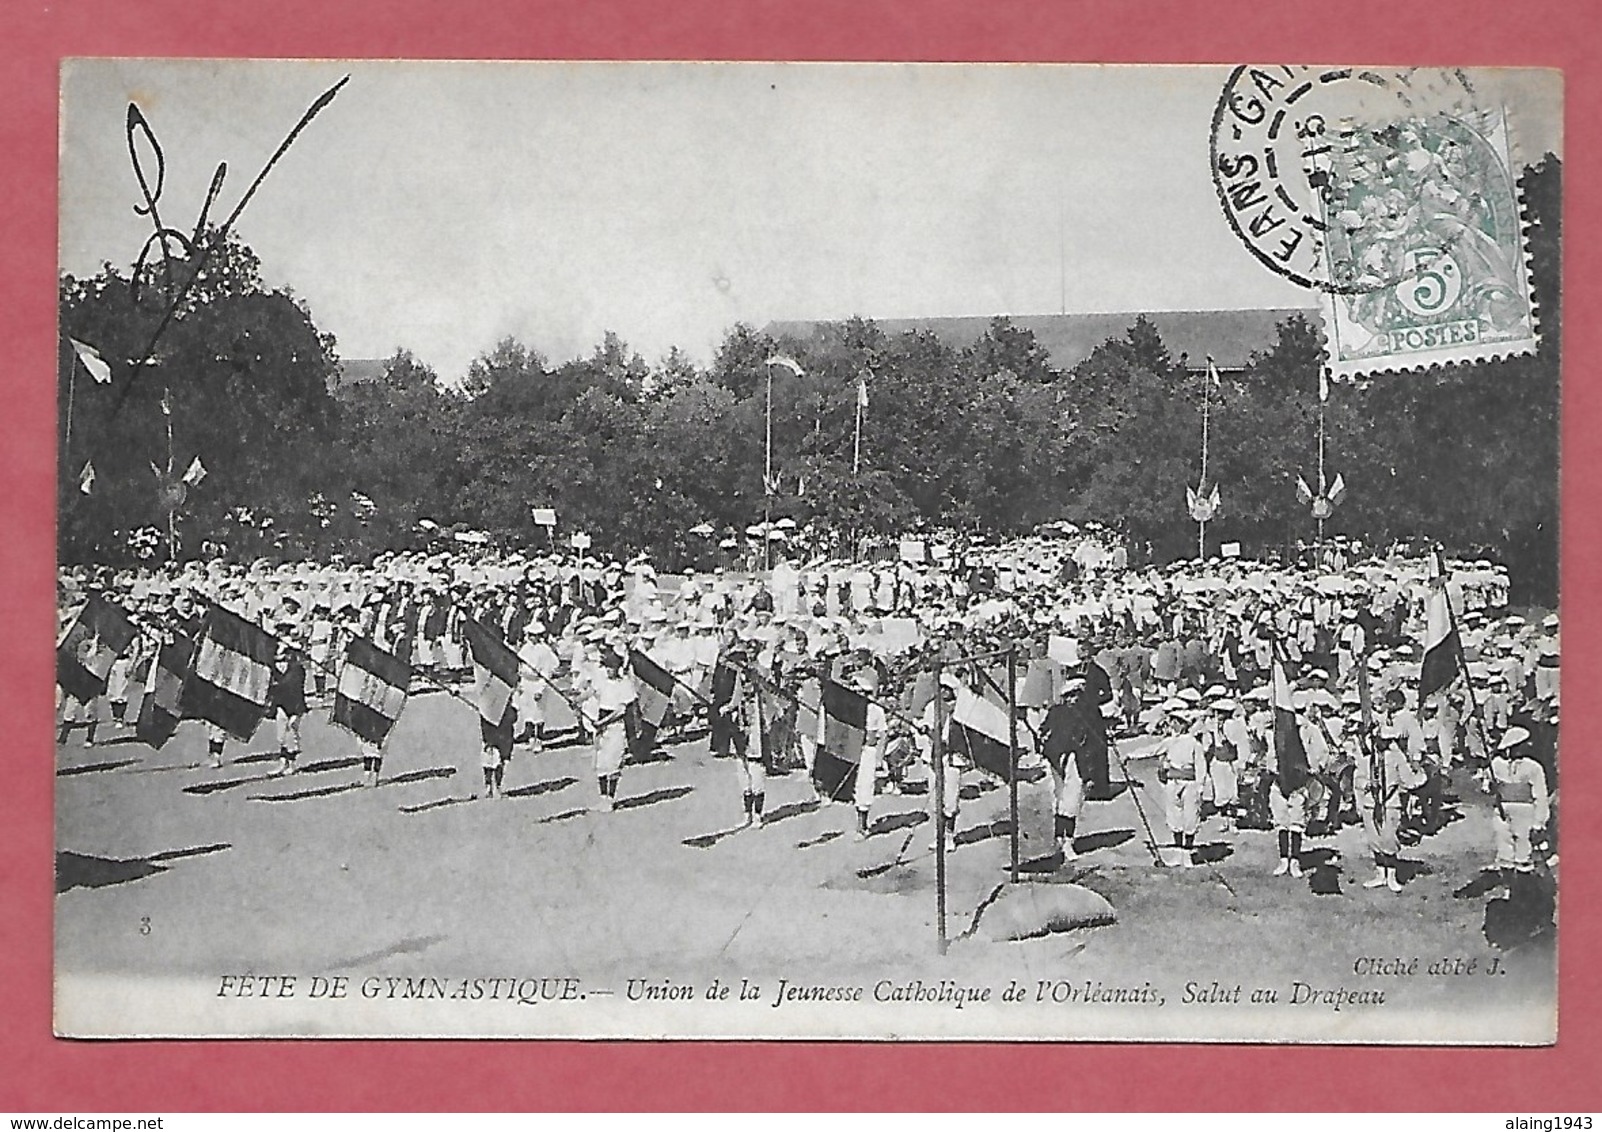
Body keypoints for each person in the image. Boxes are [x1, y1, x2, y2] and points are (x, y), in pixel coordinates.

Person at [1353, 706, 1425, 892]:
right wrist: (1365, 785)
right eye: (1379, 739)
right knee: (1373, 838)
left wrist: (1414, 778)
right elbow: (1358, 777)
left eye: (1386, 739)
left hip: (1391, 802)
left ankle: (1392, 875)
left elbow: (1410, 779)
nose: (1382, 743)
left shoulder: (1396, 756)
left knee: (1389, 838)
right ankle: (1380, 874)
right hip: (1370, 802)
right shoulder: (1366, 757)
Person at [1487, 726, 1551, 875]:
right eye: (1521, 744)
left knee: (1523, 851)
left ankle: (1523, 889)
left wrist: (1539, 822)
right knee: (1505, 850)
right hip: (1502, 812)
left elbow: (1540, 796)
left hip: (1525, 813)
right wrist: (1492, 786)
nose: (1526, 746)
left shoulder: (1533, 767)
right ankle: (1510, 888)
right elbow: (1488, 788)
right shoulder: (1496, 765)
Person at [1154, 704, 1207, 868]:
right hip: (1172, 783)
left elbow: (1201, 766)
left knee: (1190, 818)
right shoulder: (1169, 742)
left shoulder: (1194, 744)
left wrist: (1200, 786)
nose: (1173, 724)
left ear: (1185, 724)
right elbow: (1152, 750)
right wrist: (1130, 755)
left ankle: (1187, 853)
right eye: (1173, 721)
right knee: (1174, 817)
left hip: (1189, 784)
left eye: (1177, 721)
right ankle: (1178, 853)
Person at [585, 648, 637, 811]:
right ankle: (602, 798)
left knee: (613, 763)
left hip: (615, 726)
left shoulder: (625, 684)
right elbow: (591, 692)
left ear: (618, 668)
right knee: (600, 763)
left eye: (611, 667)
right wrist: (576, 701)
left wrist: (603, 722)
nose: (608, 670)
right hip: (602, 725)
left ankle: (611, 799)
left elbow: (621, 711)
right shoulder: (602, 681)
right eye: (606, 667)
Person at [269, 633, 309, 776]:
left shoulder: (298, 670)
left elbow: (291, 686)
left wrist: (276, 685)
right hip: (282, 703)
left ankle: (292, 764)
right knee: (281, 734)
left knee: (291, 732)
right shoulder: (277, 669)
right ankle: (282, 762)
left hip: (295, 705)